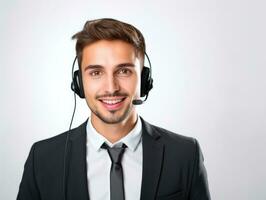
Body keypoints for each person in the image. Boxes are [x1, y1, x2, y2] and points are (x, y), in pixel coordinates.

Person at [17, 18, 211, 200]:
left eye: (124, 71)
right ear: (79, 83)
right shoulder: (42, 159)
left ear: (144, 80)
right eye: (96, 72)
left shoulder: (185, 154)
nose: (111, 87)